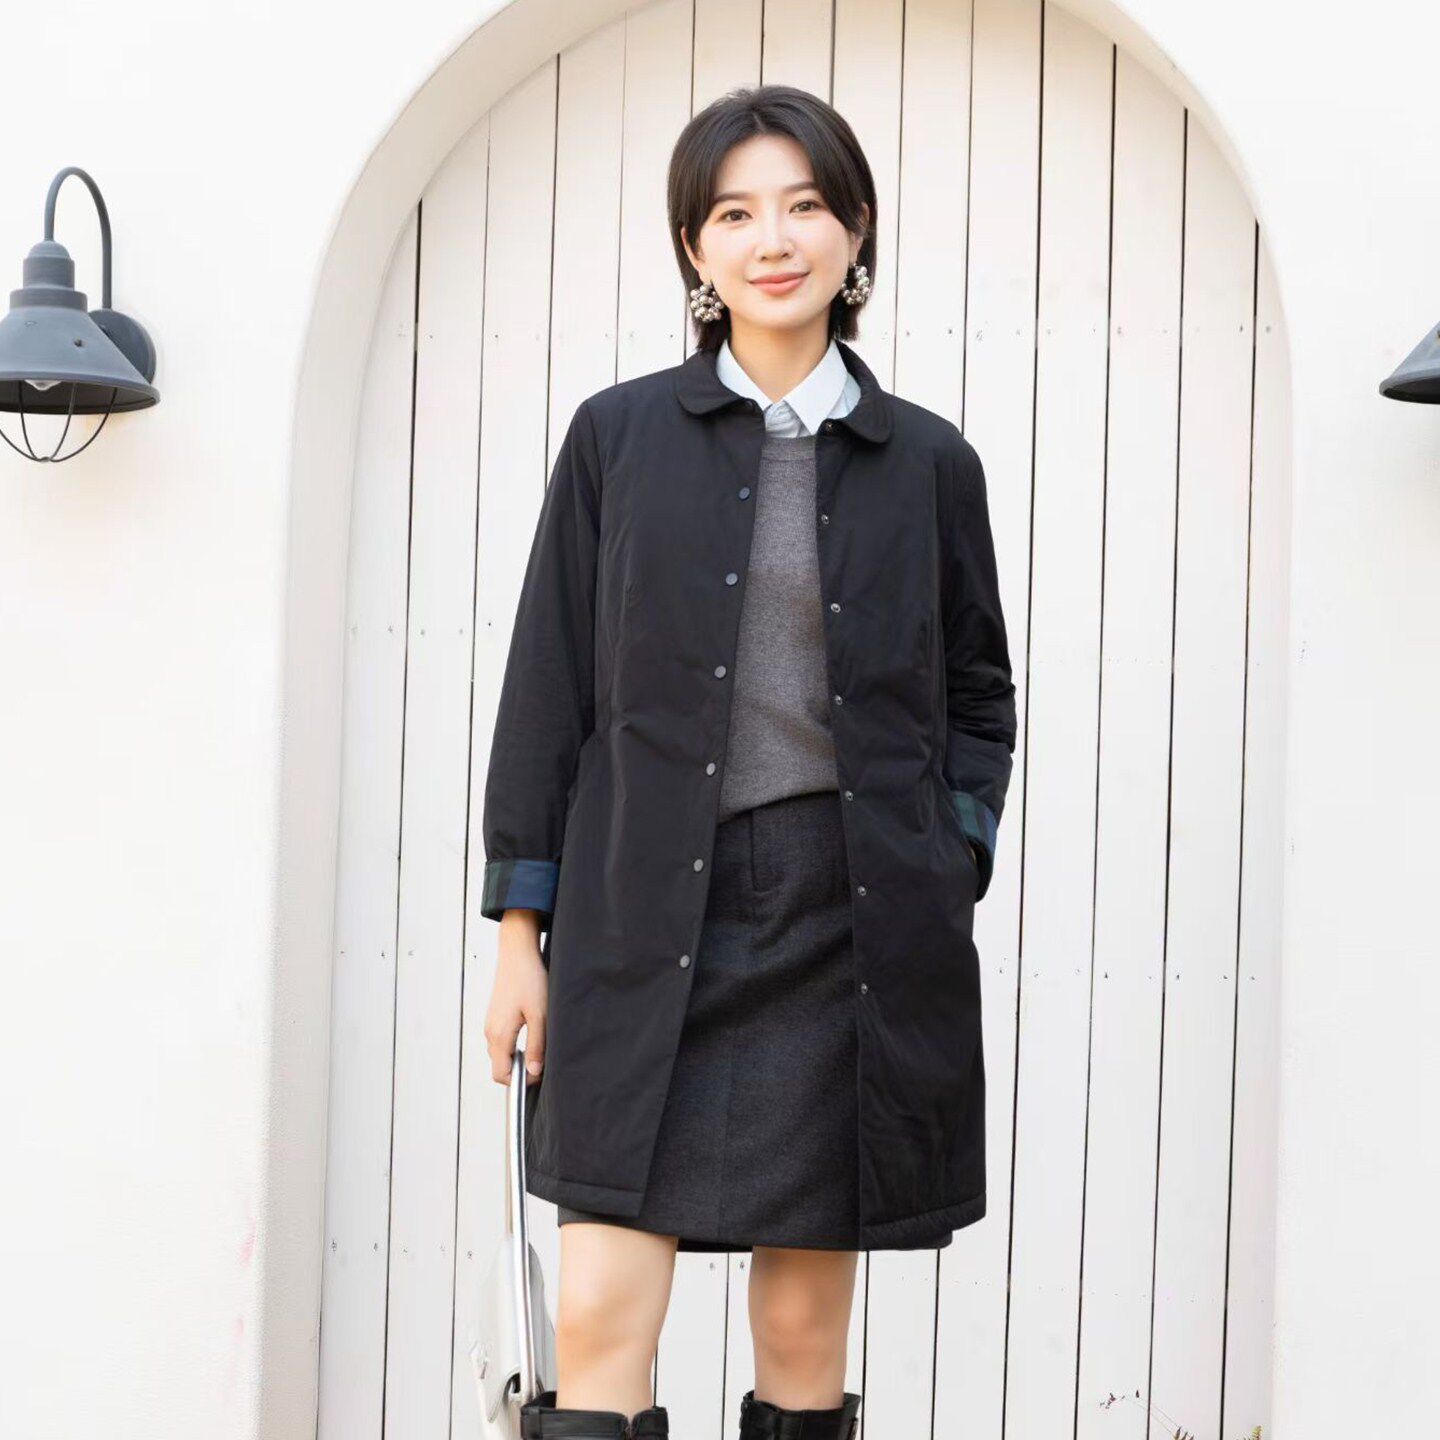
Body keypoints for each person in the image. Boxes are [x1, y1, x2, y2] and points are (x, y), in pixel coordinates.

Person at [481, 83, 1016, 1440]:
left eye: (804, 207)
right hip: (638, 916)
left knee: (802, 1326)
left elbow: (977, 690)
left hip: (850, 923)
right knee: (601, 1310)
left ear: (856, 232)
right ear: (695, 249)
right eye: (733, 214)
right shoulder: (617, 439)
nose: (772, 240)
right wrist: (522, 937)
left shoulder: (929, 463)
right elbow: (548, 690)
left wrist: (949, 851)